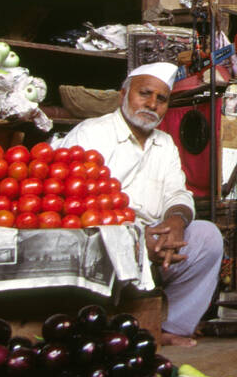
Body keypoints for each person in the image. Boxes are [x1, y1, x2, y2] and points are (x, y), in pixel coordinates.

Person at [53, 62, 223, 347]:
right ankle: (105, 330)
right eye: (144, 94)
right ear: (123, 95)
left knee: (208, 237)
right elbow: (71, 201)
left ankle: (170, 327)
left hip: (157, 240)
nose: (152, 104)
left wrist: (175, 224)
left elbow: (177, 193)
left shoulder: (165, 143)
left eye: (161, 99)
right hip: (104, 235)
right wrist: (134, 237)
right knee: (111, 238)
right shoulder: (91, 133)